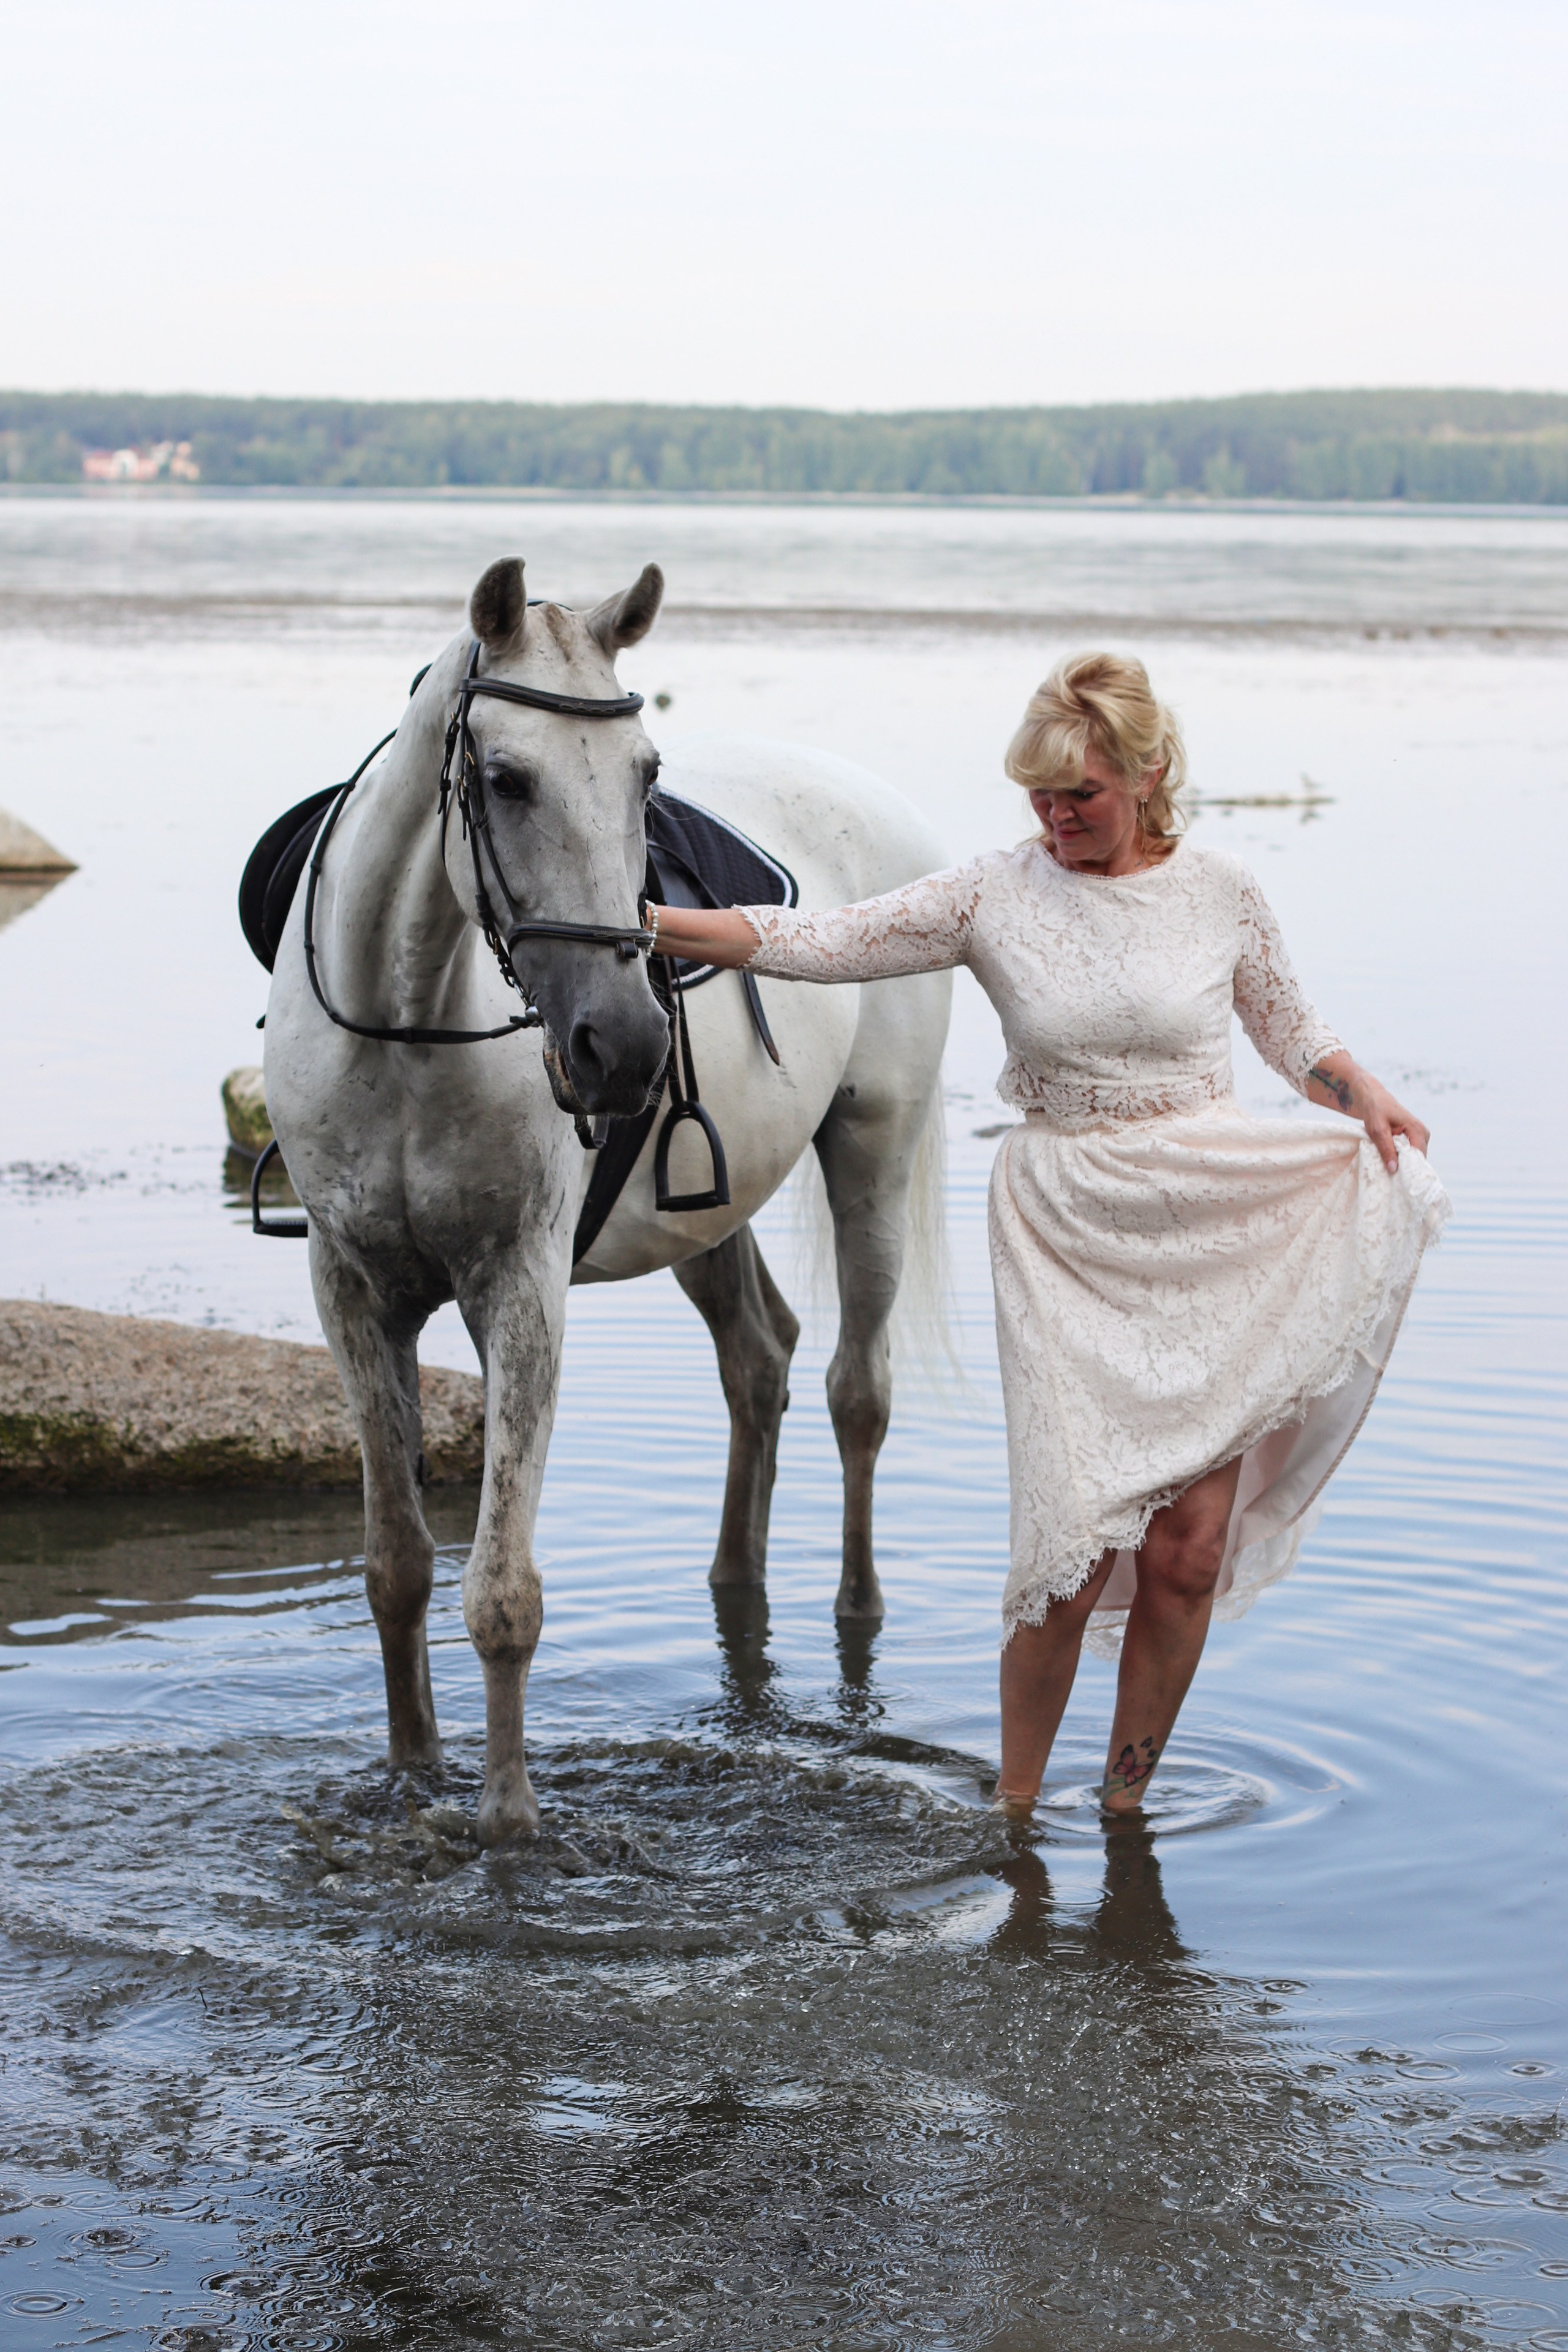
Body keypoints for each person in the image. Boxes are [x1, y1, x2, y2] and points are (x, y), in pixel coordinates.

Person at [646, 653, 1449, 1817]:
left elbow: (1291, 1029)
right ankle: (1015, 1812)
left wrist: (1357, 1087)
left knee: (1186, 1552)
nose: (1056, 818)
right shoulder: (992, 893)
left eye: (1081, 796)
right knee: (1065, 1559)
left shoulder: (1222, 890)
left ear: (1149, 774)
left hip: (1210, 1217)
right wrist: (653, 923)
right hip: (1066, 1222)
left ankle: (1125, 1803)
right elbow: (826, 939)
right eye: (1040, 796)